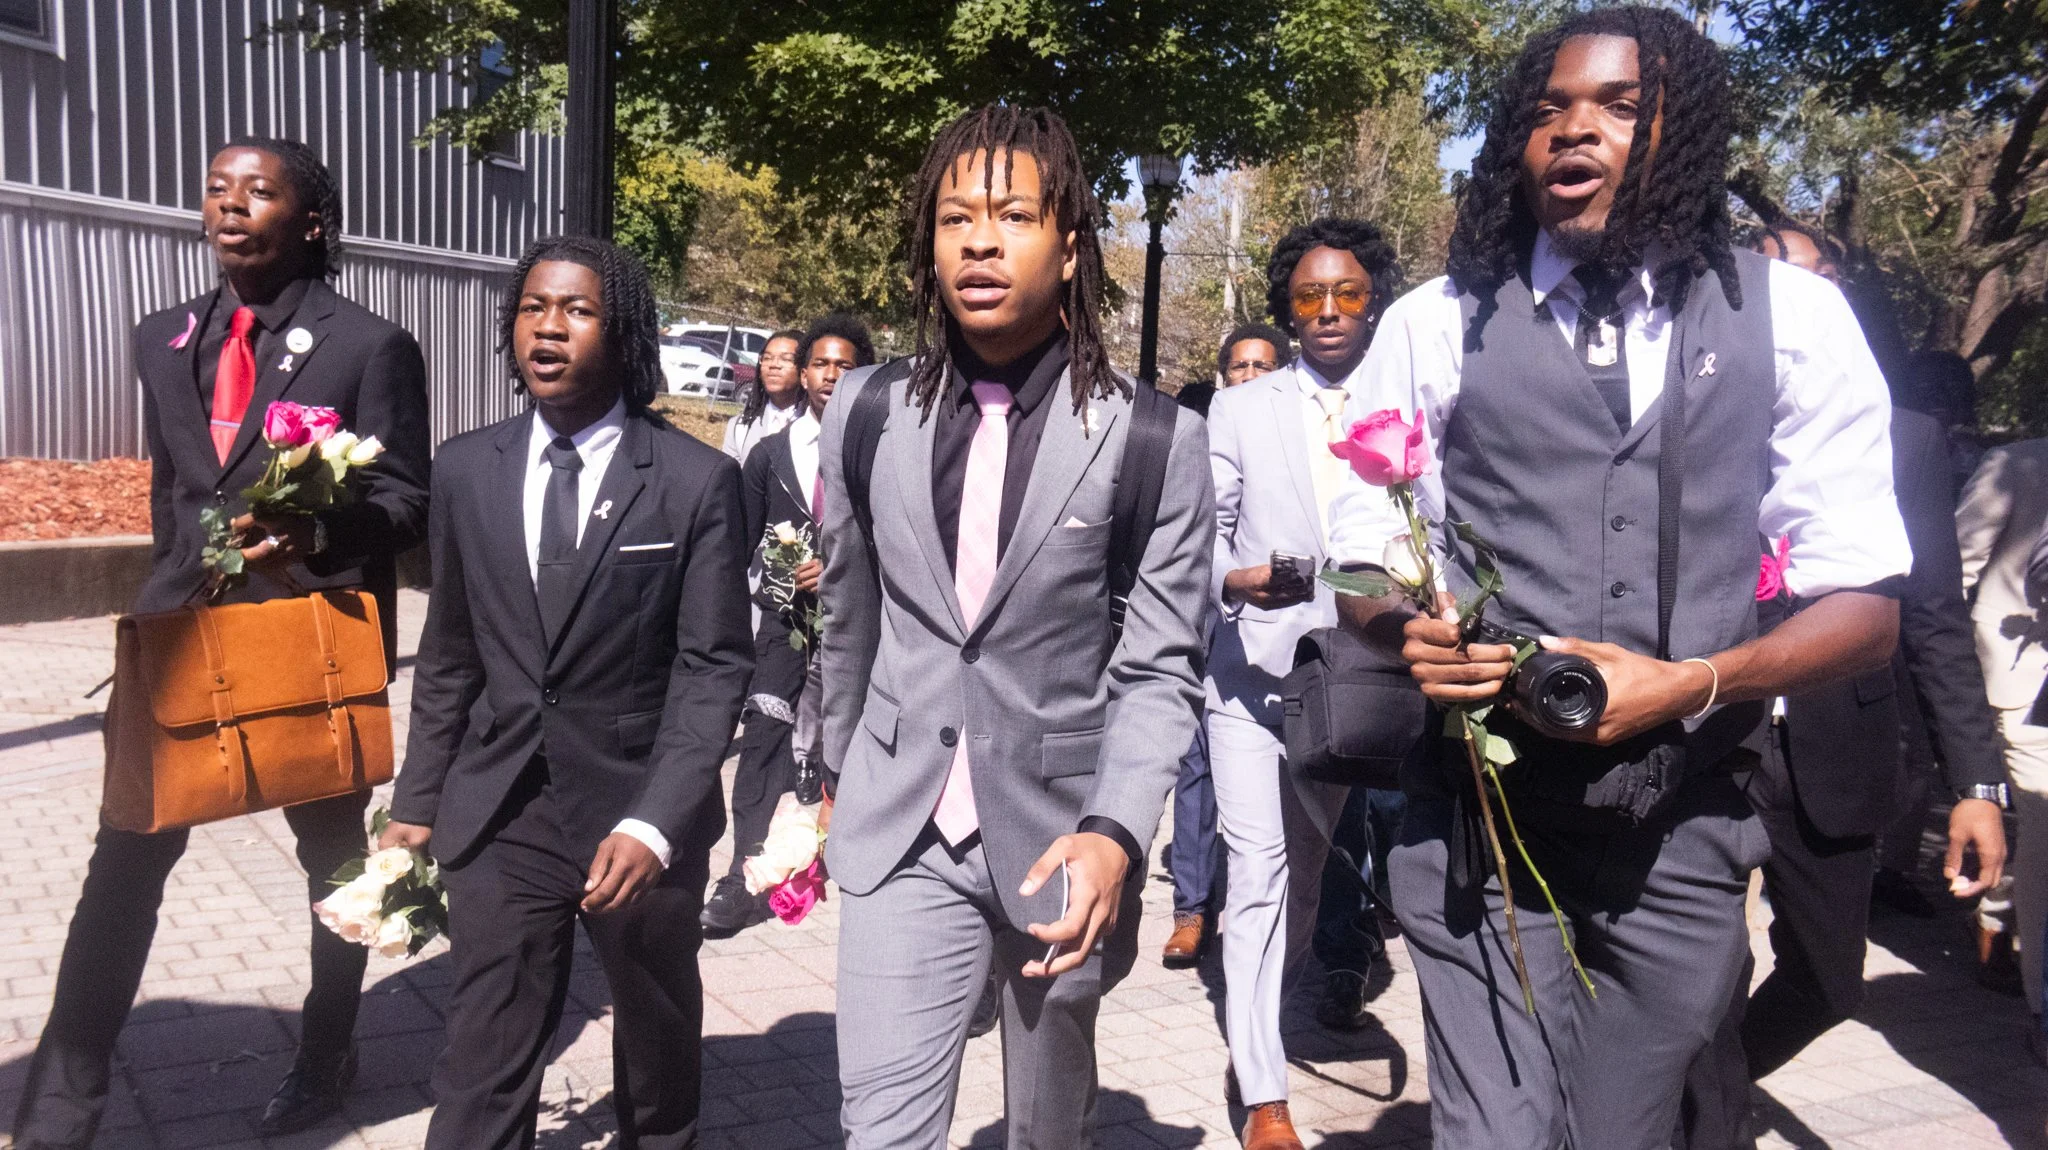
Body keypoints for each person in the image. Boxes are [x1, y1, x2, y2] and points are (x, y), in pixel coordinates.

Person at [1325, 9, 1910, 1146]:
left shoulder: (1791, 318)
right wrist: (1404, 627)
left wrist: (1694, 681)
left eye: (1618, 105)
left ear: (1680, 130)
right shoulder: (1436, 320)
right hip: (1479, 827)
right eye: (1546, 109)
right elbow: (1362, 556)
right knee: (1494, 1134)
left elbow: (1865, 611)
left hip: (1684, 830)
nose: (1573, 129)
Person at [12, 138, 432, 1148]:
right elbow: (177, 496)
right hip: (180, 642)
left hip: (305, 640)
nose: (230, 204)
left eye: (258, 191)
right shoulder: (161, 338)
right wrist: (171, 594)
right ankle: (62, 1107)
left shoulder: (369, 345)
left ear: (311, 221)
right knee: (124, 862)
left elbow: (407, 501)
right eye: (216, 189)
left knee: (336, 861)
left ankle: (327, 1049)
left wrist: (314, 531)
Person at [816, 103, 1211, 1148]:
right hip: (901, 833)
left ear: (1069, 246)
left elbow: (1160, 668)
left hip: (1063, 840)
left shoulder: (1153, 439)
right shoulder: (863, 411)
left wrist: (1117, 833)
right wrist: (837, 769)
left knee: (1046, 1129)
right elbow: (850, 614)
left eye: (1013, 217)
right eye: (955, 219)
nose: (979, 243)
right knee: (881, 1132)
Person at [379, 235, 752, 1149]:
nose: (548, 329)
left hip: (638, 815)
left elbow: (713, 668)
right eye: (532, 309)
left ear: (622, 332)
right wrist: (417, 802)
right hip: (501, 809)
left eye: (577, 311)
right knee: (483, 1057)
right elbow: (451, 652)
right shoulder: (465, 468)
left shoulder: (697, 481)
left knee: (656, 1044)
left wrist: (655, 825)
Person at [1676, 240, 2009, 1150]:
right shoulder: (1684, 409)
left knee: (1829, 984)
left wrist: (1978, 786)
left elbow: (1934, 619)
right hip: (1701, 738)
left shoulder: (1906, 439)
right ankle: (1704, 1119)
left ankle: (1696, 1097)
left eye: (1810, 274)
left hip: (1834, 749)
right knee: (1700, 981)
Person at [1203, 218, 1403, 1149]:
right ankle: (1264, 1090)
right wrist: (1237, 581)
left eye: (1347, 293)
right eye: (1309, 295)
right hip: (1254, 678)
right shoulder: (1241, 409)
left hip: (1359, 686)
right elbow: (1197, 540)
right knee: (1258, 875)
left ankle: (1264, 1018)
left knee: (1308, 876)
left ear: (1373, 300)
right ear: (1287, 306)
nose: (1328, 310)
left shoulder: (1407, 400)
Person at [703, 312, 875, 936]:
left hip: (859, 628)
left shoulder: (878, 453)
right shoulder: (770, 456)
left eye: (845, 366)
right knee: (764, 739)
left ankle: (842, 868)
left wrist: (842, 568)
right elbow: (736, 546)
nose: (831, 375)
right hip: (783, 625)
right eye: (820, 364)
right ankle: (744, 875)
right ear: (801, 375)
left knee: (847, 748)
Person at [1161, 321, 1295, 968]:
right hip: (1206, 616)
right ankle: (1191, 909)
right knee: (1197, 765)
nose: (1249, 376)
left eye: (1262, 366)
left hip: (1286, 628)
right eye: (1239, 366)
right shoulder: (1198, 431)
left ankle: (1327, 930)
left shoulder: (1301, 434)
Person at [1957, 436, 2048, 1016]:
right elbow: (1950, 573)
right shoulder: (2018, 465)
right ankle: (2040, 1007)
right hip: (2022, 680)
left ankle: (1993, 916)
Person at [722, 328, 806, 464]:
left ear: (805, 369)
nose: (774, 365)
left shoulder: (819, 426)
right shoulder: (740, 427)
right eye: (767, 358)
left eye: (786, 359)